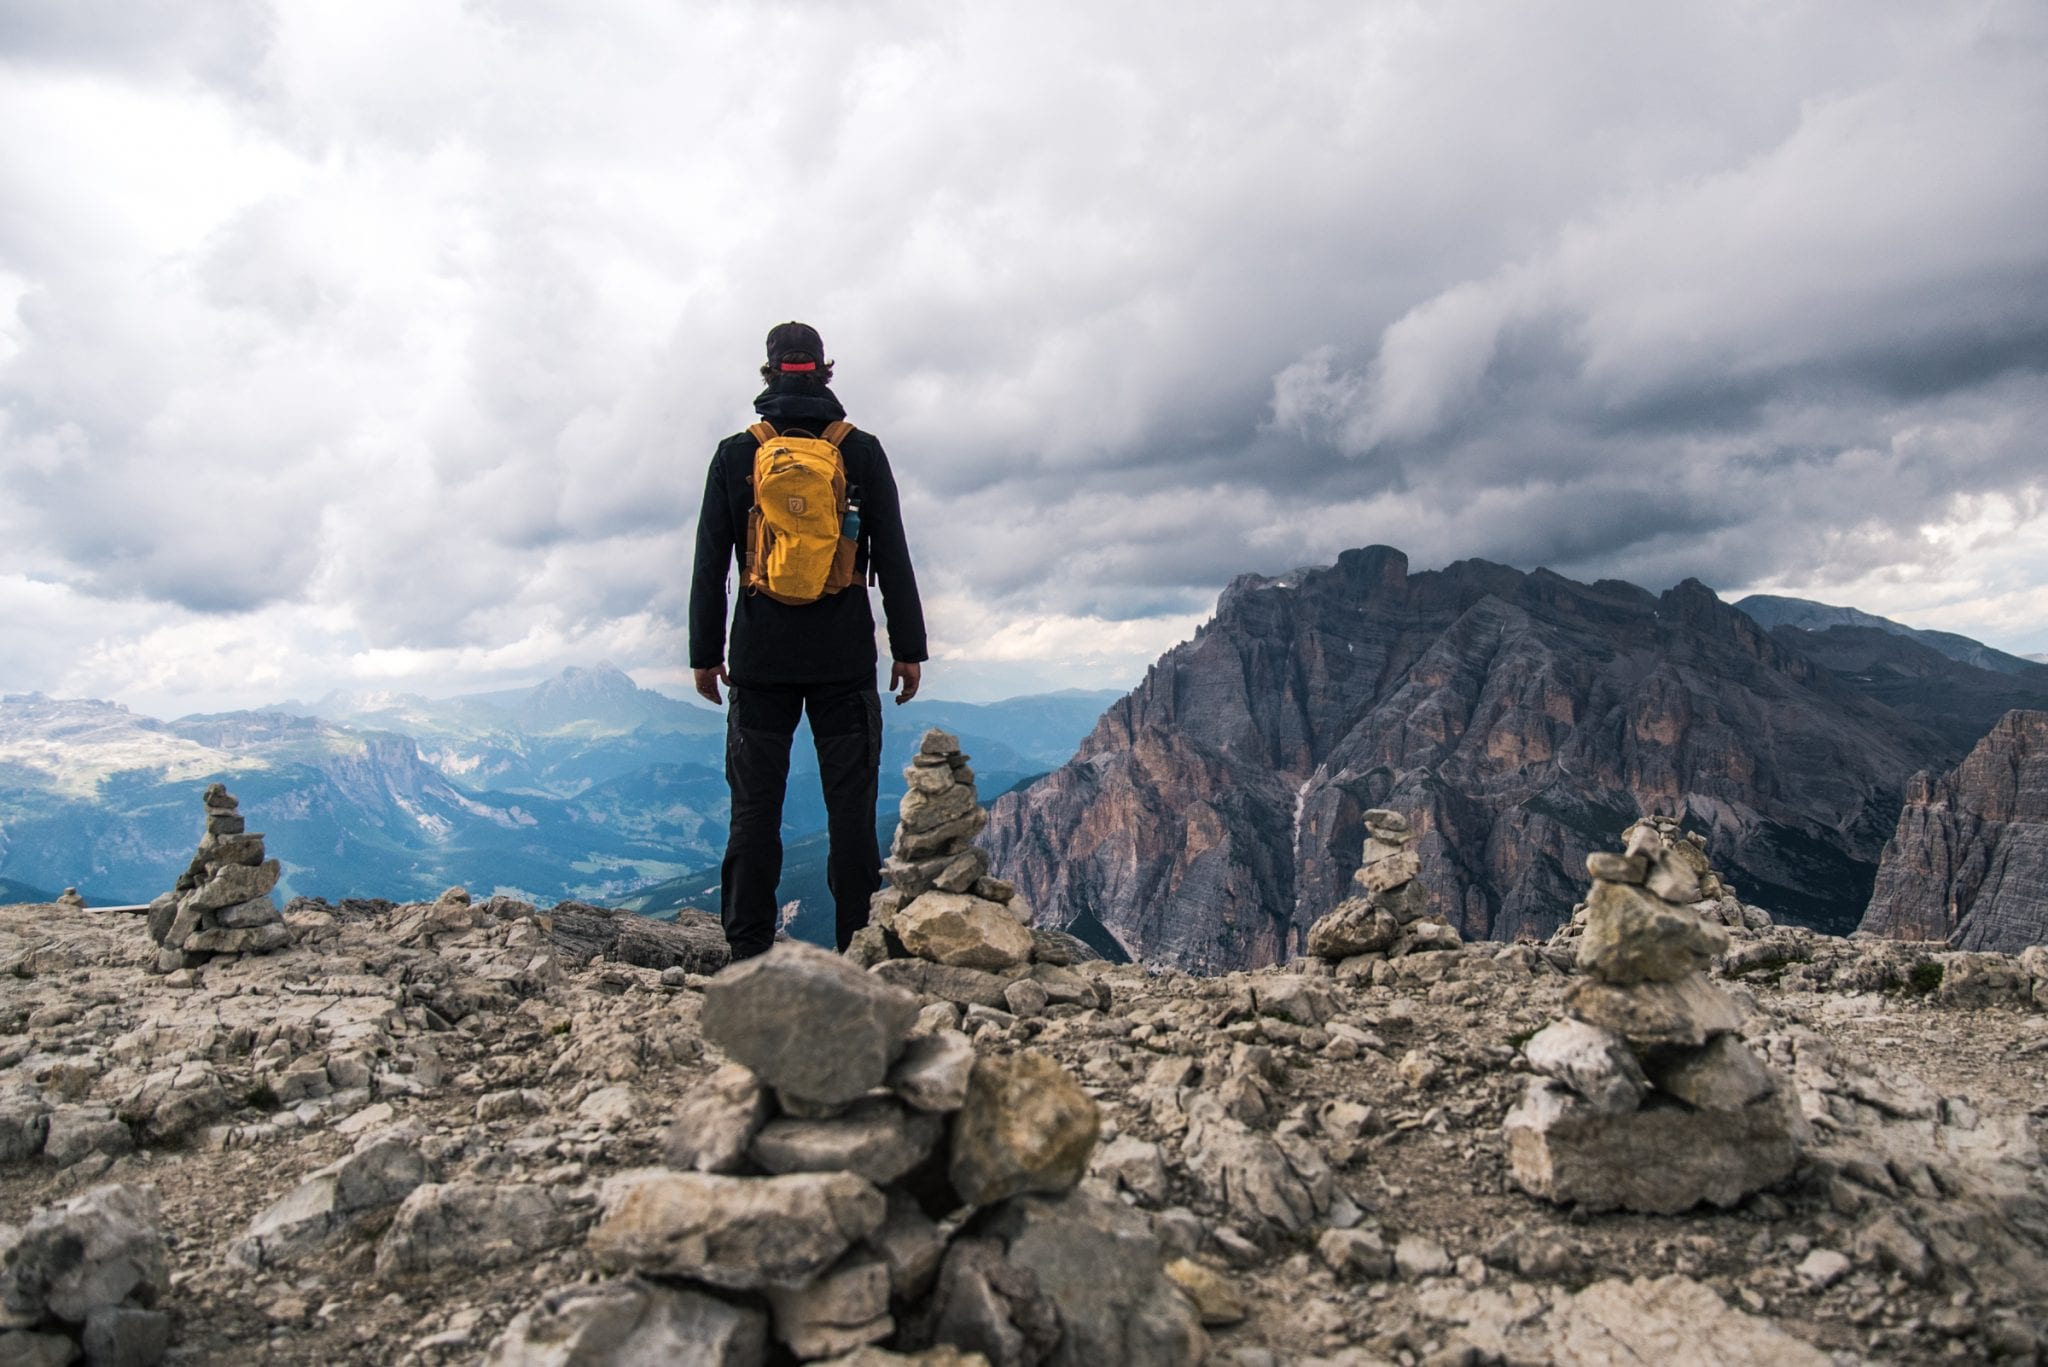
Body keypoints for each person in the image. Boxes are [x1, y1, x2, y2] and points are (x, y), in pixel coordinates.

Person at [689, 321, 927, 959]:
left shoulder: (738, 453)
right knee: (850, 815)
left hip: (760, 658)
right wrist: (909, 647)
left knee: (755, 811)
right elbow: (895, 555)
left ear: (768, 374)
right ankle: (858, 950)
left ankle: (746, 953)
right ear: (825, 370)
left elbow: (711, 563)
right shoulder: (862, 450)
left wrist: (705, 656)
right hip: (843, 658)